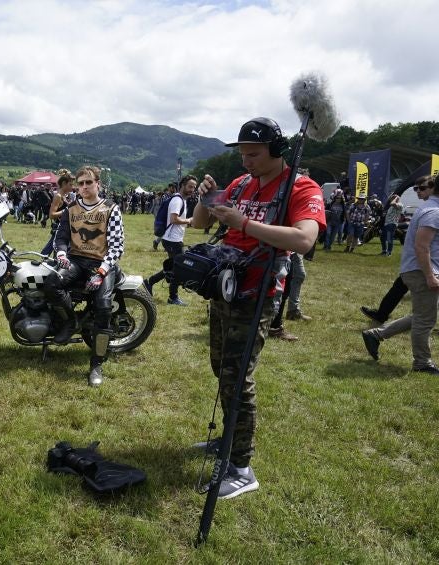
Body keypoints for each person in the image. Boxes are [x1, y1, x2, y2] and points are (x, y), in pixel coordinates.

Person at [190, 117, 324, 499]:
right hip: (225, 286)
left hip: (258, 293)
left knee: (238, 376)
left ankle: (242, 466)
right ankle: (230, 441)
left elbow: (303, 239)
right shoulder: (241, 183)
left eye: (253, 154)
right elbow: (201, 223)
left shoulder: (301, 186)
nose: (246, 161)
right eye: (242, 154)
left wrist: (244, 224)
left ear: (277, 151)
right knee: (222, 367)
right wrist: (207, 197)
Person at [361, 169, 439, 379]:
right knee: (426, 321)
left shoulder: (437, 208)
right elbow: (422, 247)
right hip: (422, 271)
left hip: (424, 270)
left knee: (421, 316)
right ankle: (422, 363)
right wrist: (430, 276)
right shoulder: (434, 212)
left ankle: (375, 335)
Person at [51, 165, 125, 386]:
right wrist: (62, 253)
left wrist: (101, 272)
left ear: (97, 184)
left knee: (103, 307)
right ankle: (70, 322)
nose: (84, 187)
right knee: (52, 282)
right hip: (76, 260)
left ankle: (96, 364)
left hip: (101, 264)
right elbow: (61, 236)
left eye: (88, 182)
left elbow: (117, 246)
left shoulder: (111, 209)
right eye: (80, 183)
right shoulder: (71, 208)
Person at [144, 175, 197, 305]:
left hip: (174, 239)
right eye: (190, 186)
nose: (192, 189)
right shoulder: (177, 200)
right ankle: (172, 297)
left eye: (194, 187)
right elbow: (174, 219)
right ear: (182, 185)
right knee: (179, 268)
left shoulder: (181, 200)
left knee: (174, 267)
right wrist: (189, 221)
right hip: (172, 240)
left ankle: (150, 282)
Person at [40, 168, 75, 255]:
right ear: (64, 184)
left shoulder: (66, 196)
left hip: (65, 228)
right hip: (59, 228)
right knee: (50, 249)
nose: (72, 187)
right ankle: (41, 260)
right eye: (70, 184)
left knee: (58, 250)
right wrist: (66, 210)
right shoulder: (58, 196)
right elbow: (51, 215)